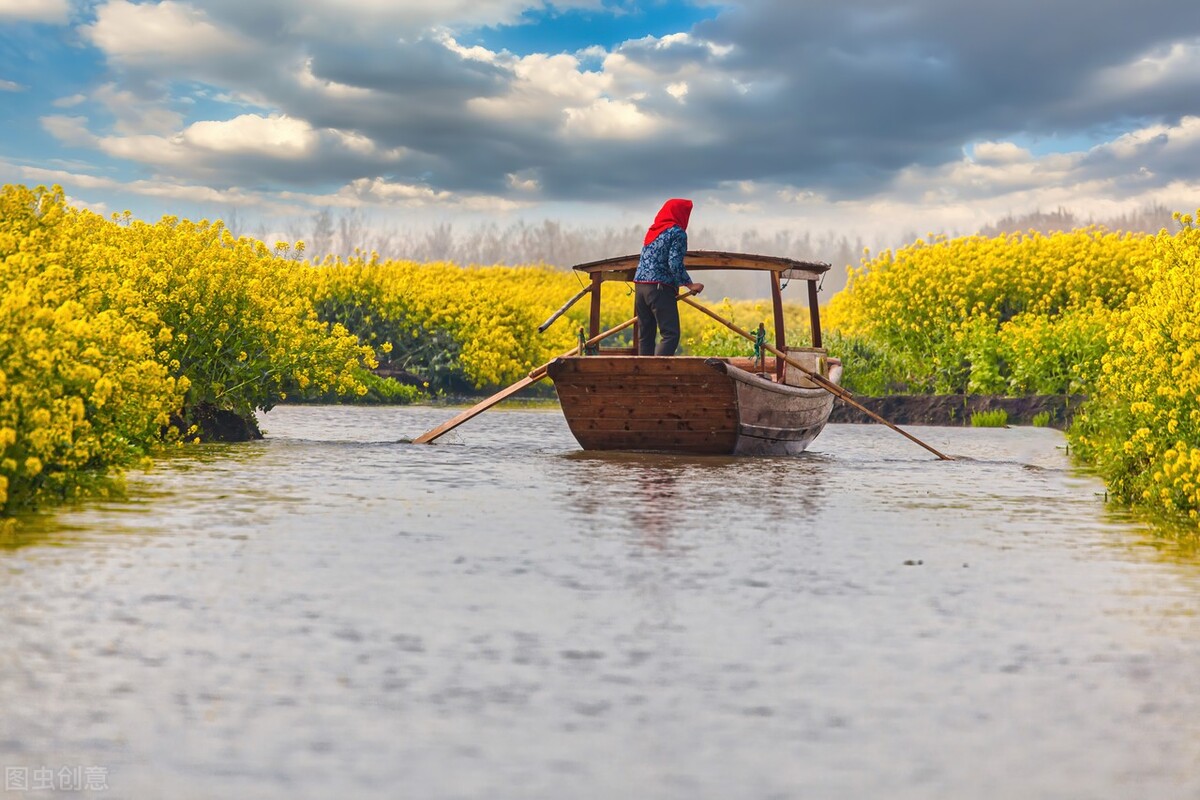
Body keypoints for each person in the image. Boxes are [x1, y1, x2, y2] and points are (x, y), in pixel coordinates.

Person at [634, 198, 704, 355]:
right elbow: (674, 263)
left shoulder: (654, 230)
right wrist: (690, 284)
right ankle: (657, 375)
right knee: (670, 334)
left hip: (640, 287)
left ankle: (644, 376)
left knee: (645, 336)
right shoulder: (677, 233)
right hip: (659, 287)